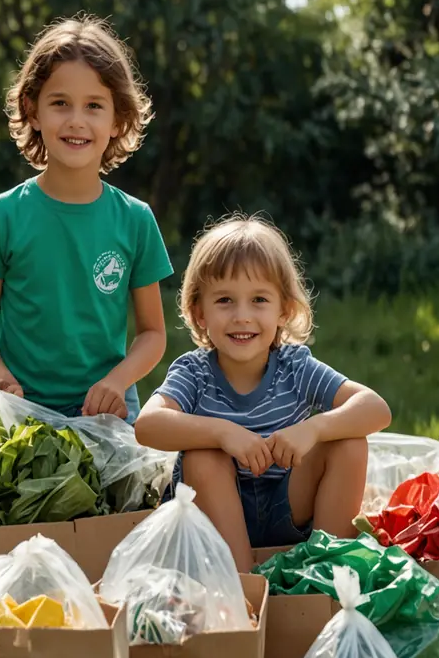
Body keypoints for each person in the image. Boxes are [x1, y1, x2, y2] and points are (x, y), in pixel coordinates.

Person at [134, 213, 392, 572]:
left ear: (284, 310)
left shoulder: (294, 366)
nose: (242, 316)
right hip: (215, 520)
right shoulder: (194, 372)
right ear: (199, 312)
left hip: (287, 508)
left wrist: (312, 429)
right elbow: (147, 424)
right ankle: (244, 589)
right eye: (225, 300)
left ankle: (326, 577)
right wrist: (222, 433)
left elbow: (376, 408)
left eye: (258, 300)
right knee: (202, 458)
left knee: (348, 443)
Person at [0, 14, 173, 422]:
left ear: (117, 120)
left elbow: (153, 334)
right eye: (60, 103)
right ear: (33, 111)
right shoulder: (2, 215)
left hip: (105, 415)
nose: (77, 120)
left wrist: (117, 382)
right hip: (21, 412)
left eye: (94, 106)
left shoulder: (136, 220)